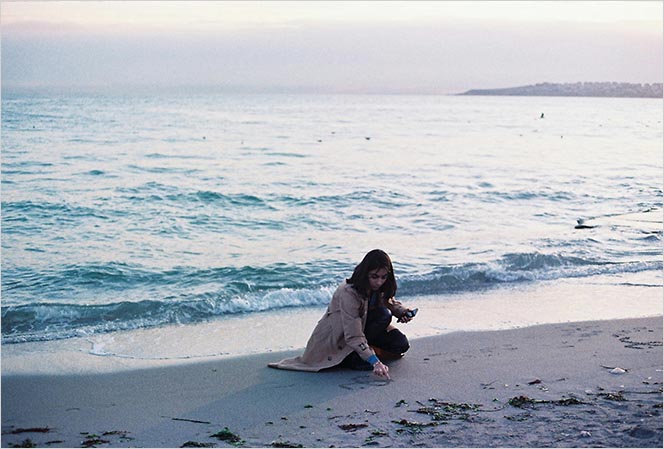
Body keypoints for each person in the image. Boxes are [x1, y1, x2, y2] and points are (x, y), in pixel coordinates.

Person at [268, 249, 415, 379]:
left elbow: (389, 301)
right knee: (383, 316)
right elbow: (353, 335)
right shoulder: (349, 292)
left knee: (400, 345)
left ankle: (362, 352)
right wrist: (375, 362)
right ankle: (353, 355)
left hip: (364, 329)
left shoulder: (378, 287)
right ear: (365, 273)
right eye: (374, 276)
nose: (379, 282)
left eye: (383, 277)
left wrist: (403, 312)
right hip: (339, 339)